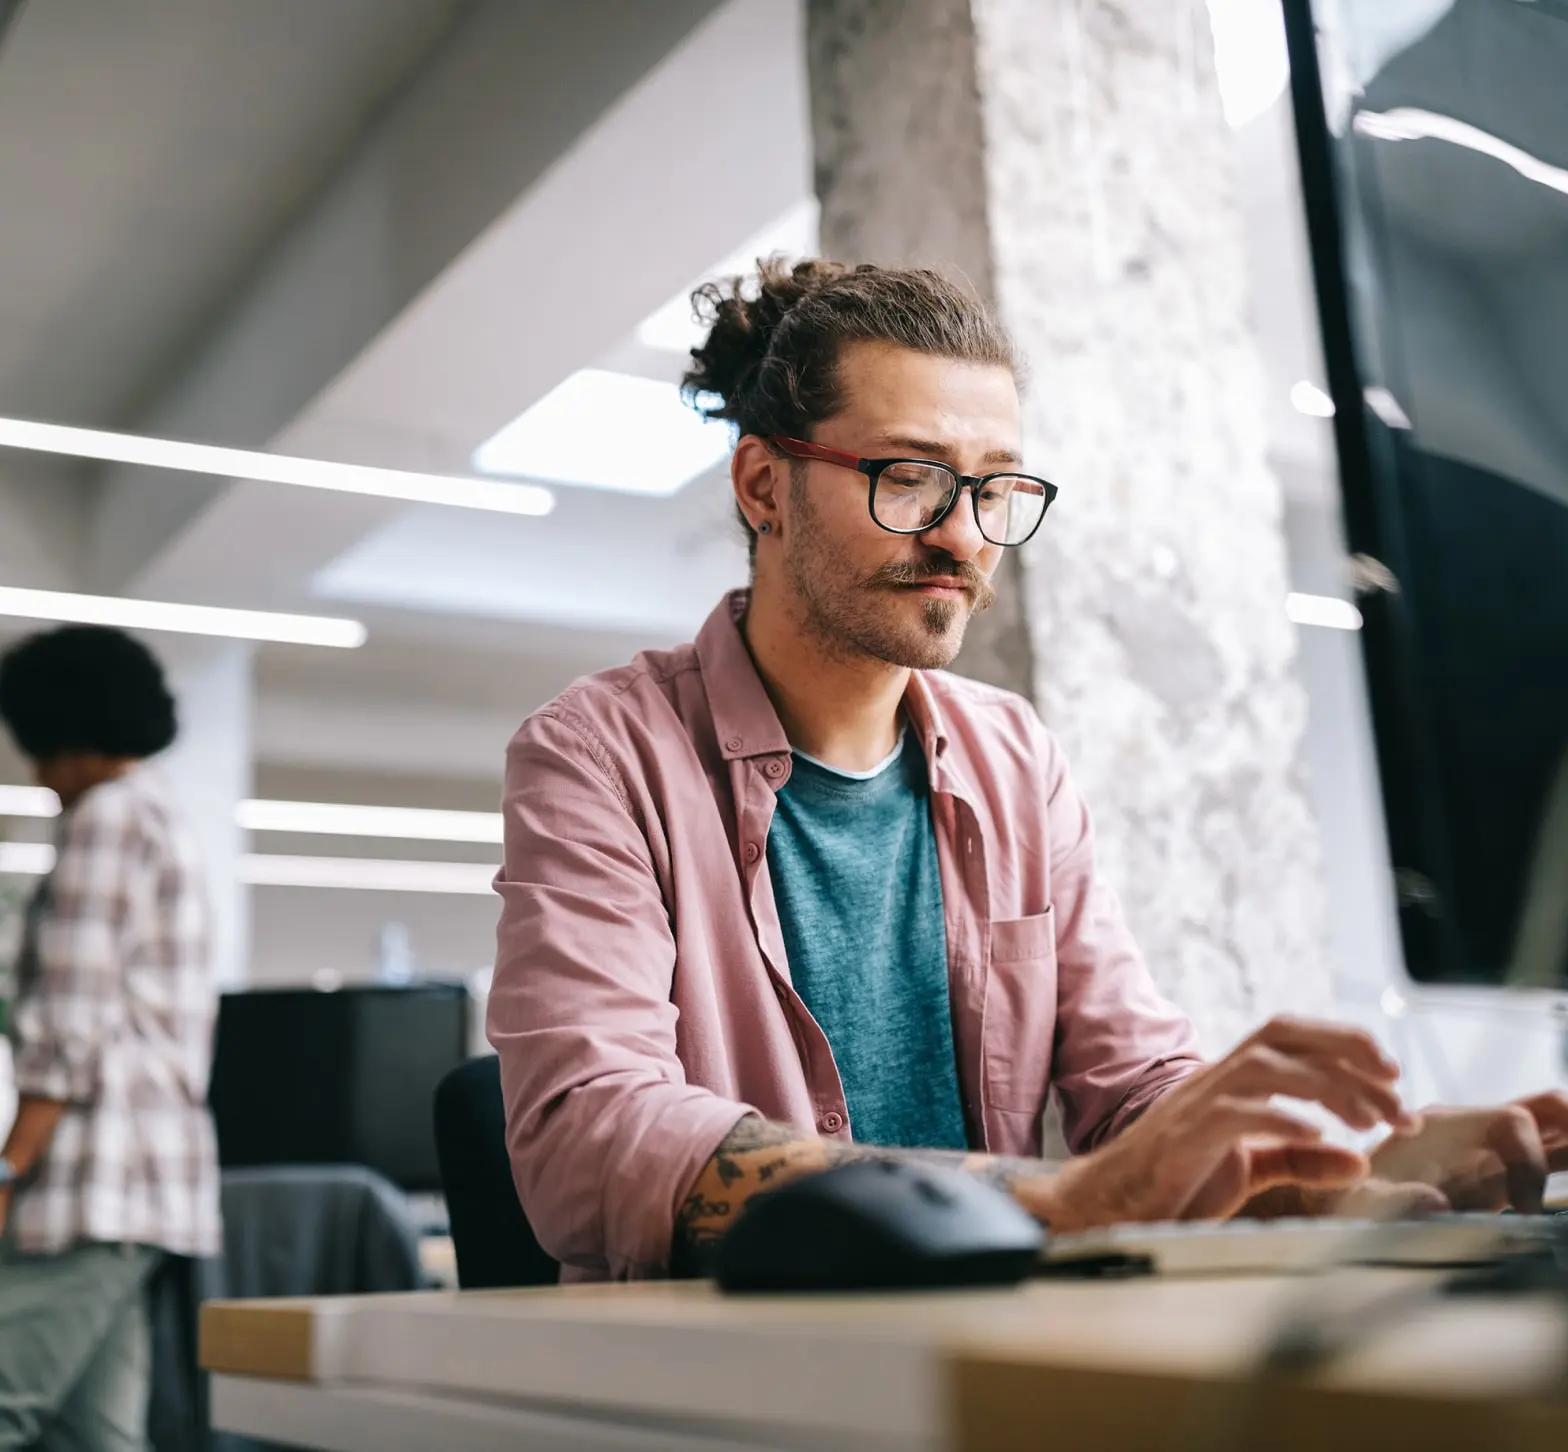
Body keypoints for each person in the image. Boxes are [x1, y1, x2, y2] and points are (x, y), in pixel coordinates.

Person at [489, 258, 1568, 1281]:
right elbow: (590, 1135)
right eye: (908, 480)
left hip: (989, 1353)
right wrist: (1059, 1200)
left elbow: (1134, 1093)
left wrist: (1340, 1175)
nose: (962, 535)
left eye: (993, 489)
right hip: (732, 1376)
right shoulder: (599, 754)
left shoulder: (1013, 758)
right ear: (764, 486)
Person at [0, 626, 221, 1449]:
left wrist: (5, 1165)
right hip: (146, 1189)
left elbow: (69, 1019)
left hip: (94, 1184)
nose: (36, 773)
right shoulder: (164, 812)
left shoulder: (109, 817)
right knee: (92, 1437)